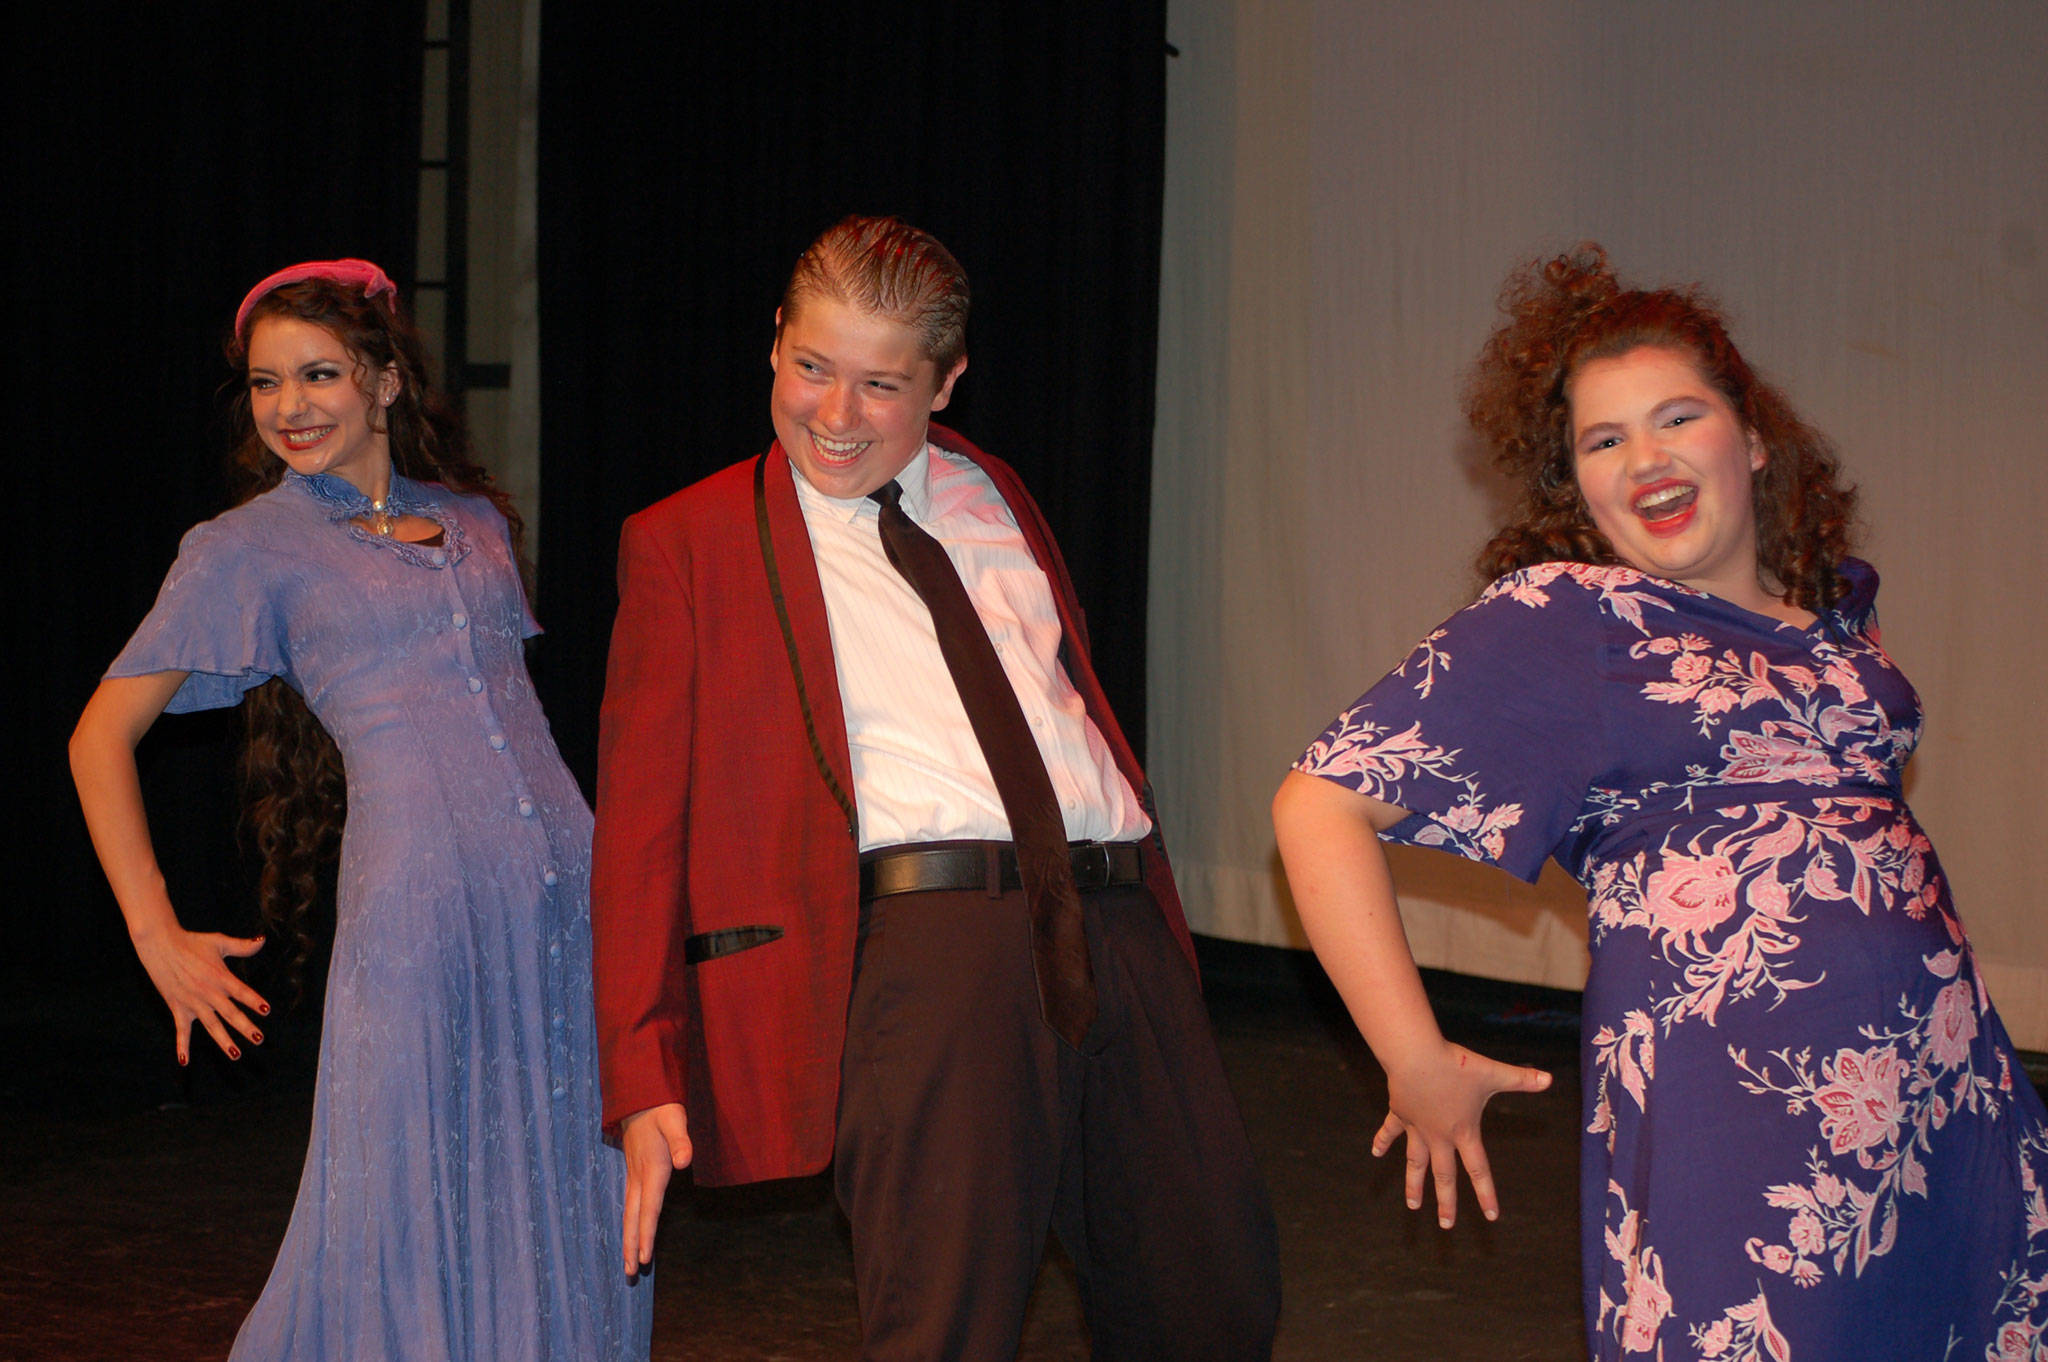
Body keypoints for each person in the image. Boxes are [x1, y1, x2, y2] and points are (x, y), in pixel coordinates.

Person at [1273, 244, 2048, 1358]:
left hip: (1944, 1095)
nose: (1644, 457)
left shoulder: (1835, 617)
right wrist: (1412, 1054)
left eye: (1677, 418)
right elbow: (1318, 808)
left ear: (1753, 438)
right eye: (1603, 440)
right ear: (1577, 485)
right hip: (1738, 1116)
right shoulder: (1570, 618)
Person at [591, 215, 1280, 1360]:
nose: (834, 414)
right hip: (933, 948)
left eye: (880, 385)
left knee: (1208, 1293)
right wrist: (640, 1068)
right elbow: (640, 829)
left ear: (946, 383)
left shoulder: (991, 492)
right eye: (811, 367)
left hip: (1113, 923)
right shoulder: (690, 541)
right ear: (774, 340)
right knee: (945, 1316)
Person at [69, 260, 652, 1360]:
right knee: (400, 1200)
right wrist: (154, 932)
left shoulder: (476, 521)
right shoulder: (244, 548)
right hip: (418, 916)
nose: (289, 405)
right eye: (264, 383)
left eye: (319, 374)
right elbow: (97, 737)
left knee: (568, 1181)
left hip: (568, 905)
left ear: (385, 381)